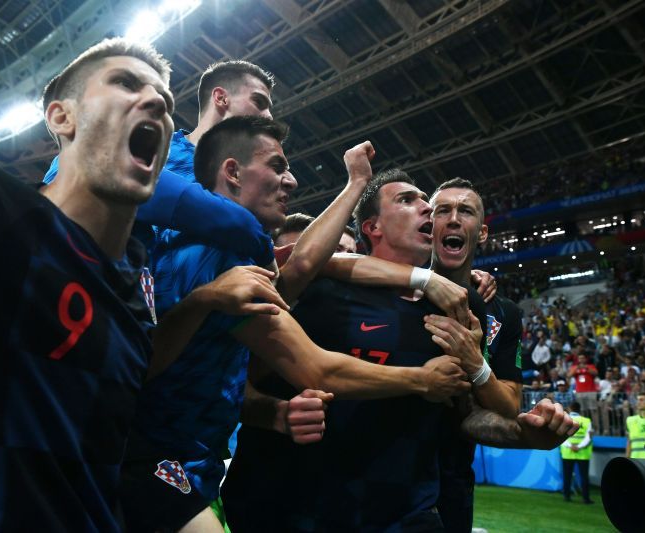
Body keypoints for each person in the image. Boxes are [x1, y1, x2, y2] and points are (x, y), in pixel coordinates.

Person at [120, 120, 469, 532]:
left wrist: (276, 414)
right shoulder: (224, 253)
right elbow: (316, 368)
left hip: (184, 459)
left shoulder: (192, 246)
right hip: (157, 458)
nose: (291, 180)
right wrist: (421, 380)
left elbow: (306, 265)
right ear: (232, 172)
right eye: (277, 166)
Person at [223, 171, 576, 532]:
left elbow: (464, 415)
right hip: (304, 507)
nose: (427, 208)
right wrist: (276, 414)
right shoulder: (318, 288)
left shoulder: (458, 306)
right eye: (408, 200)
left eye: (426, 200)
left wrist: (523, 434)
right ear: (372, 227)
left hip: (406, 511)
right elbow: (240, 382)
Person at [0, 38, 174, 530]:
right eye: (125, 83)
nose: (156, 102)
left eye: (165, 99)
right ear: (61, 118)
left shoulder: (138, 290)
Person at [44, 60, 279, 267]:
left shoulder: (253, 176)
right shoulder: (152, 152)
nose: (269, 115)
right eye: (259, 102)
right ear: (221, 98)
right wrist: (257, 239)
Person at [560, 401, 594, 504]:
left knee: (567, 475)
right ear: (579, 409)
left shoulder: (564, 419)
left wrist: (571, 446)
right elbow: (588, 438)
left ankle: (566, 496)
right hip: (582, 453)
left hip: (567, 452)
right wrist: (578, 446)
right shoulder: (587, 421)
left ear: (569, 408)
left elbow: (560, 436)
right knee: (584, 476)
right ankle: (586, 498)